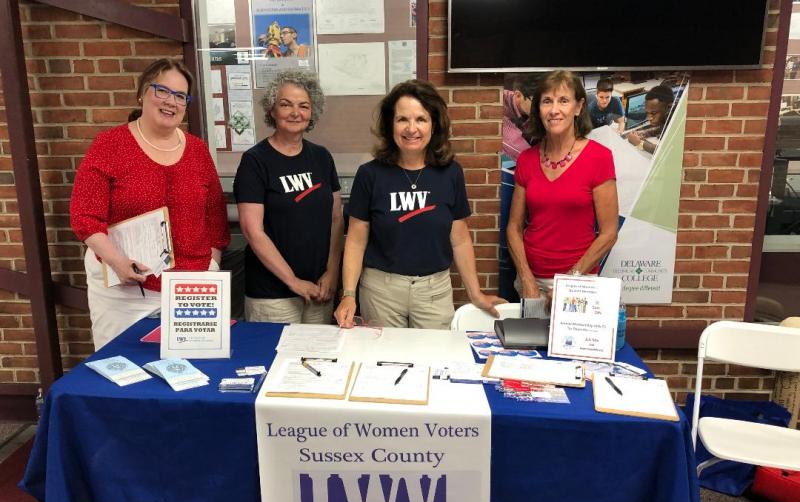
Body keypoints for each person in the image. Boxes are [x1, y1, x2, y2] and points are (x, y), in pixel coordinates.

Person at [70, 58, 230, 350]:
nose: (171, 102)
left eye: (181, 96)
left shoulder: (197, 150)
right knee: (122, 371)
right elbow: (85, 217)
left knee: (192, 371)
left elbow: (215, 216)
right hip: (126, 288)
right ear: (142, 93)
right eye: (162, 91)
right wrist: (117, 262)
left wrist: (212, 265)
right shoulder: (110, 145)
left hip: (192, 286)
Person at [334, 80, 505, 330]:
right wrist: (348, 294)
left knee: (435, 363)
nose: (411, 128)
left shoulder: (451, 173)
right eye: (402, 119)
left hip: (434, 292)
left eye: (421, 119)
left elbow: (459, 239)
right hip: (381, 292)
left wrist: (475, 293)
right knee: (383, 363)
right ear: (390, 125)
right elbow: (356, 239)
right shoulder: (370, 175)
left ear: (434, 124)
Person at [234, 69, 342, 324]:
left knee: (318, 360)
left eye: (303, 106)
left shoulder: (322, 157)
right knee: (273, 362)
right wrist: (293, 282)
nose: (296, 113)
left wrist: (332, 272)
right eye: (286, 104)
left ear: (312, 113)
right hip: (272, 296)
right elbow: (252, 231)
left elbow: (336, 218)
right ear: (272, 109)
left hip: (319, 290)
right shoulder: (255, 161)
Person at [507, 70, 619, 301]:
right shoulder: (526, 160)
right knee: (528, 339)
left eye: (563, 101)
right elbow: (514, 228)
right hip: (531, 282)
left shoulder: (599, 158)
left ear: (578, 107)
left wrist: (570, 281)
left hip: (579, 282)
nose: (554, 110)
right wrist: (527, 278)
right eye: (547, 101)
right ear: (538, 108)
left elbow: (609, 233)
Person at [625, 84, 674, 154]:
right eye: (647, 113)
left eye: (653, 113)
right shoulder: (670, 113)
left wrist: (640, 143)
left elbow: (668, 152)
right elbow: (665, 127)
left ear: (669, 107)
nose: (649, 118)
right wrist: (645, 133)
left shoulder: (680, 118)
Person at [502, 74, 538, 161]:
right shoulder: (497, 107)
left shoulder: (525, 105)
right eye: (536, 102)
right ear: (518, 95)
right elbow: (529, 159)